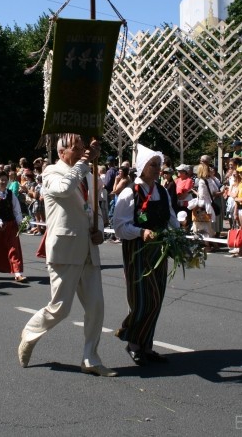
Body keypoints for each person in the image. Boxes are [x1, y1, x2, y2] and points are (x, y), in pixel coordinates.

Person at [18, 135, 117, 377]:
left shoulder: (88, 174)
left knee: (96, 307)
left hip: (88, 250)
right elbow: (63, 190)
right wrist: (85, 162)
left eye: (84, 147)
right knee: (60, 308)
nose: (84, 151)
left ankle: (90, 358)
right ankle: (30, 335)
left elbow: (93, 209)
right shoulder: (51, 172)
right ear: (62, 153)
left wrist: (100, 230)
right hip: (65, 249)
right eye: (77, 148)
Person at [113, 143, 180, 366]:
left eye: (159, 165)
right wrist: (142, 232)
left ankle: (146, 346)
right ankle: (133, 343)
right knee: (142, 299)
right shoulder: (129, 192)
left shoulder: (161, 191)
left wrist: (179, 233)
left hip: (159, 249)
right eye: (153, 165)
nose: (157, 169)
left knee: (157, 298)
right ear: (142, 167)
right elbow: (120, 227)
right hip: (137, 251)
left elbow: (170, 217)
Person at [190, 157, 220, 252]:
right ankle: (214, 244)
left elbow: (202, 196)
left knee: (201, 226)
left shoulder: (202, 181)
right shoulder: (210, 180)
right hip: (209, 205)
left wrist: (196, 199)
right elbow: (215, 191)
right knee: (208, 226)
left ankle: (207, 246)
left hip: (203, 205)